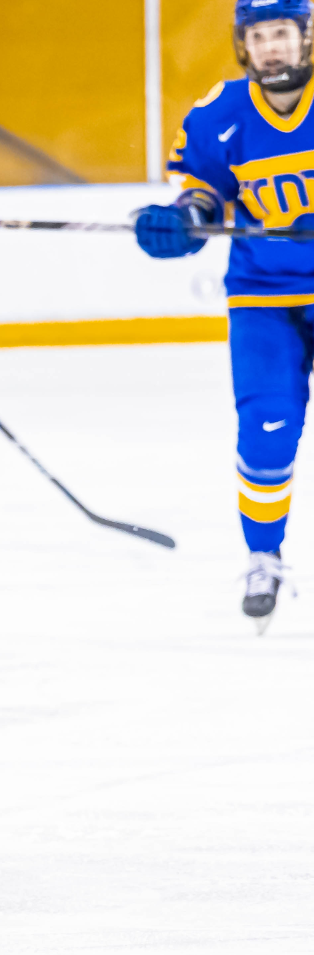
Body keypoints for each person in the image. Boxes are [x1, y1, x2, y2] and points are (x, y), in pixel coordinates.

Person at [135, 0, 313, 632]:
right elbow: (204, 194)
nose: (270, 47)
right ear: (245, 44)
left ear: (305, 37)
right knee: (266, 429)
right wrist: (183, 223)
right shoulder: (220, 114)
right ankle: (264, 557)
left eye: (281, 34)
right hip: (264, 297)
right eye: (258, 36)